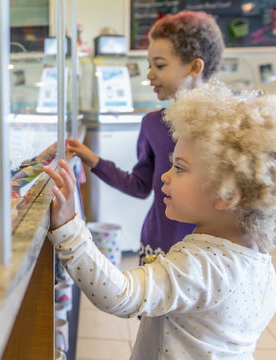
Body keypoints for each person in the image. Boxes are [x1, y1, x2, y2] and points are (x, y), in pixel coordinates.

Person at [45, 85, 276, 359]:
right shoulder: (259, 261)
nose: (165, 176)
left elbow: (120, 294)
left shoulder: (200, 264)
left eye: (180, 168)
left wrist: (69, 227)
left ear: (227, 194)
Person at [66, 11, 225, 265]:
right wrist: (93, 160)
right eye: (149, 65)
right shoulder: (153, 124)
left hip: (210, 251)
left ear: (195, 67)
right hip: (159, 245)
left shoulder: (229, 126)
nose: (150, 74)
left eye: (160, 65)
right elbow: (140, 186)